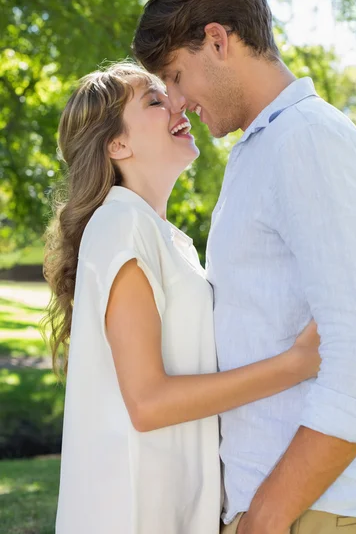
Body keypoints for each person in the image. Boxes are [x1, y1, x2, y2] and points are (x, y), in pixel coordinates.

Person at [133, 0, 356, 534]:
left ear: (217, 41)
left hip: (315, 515)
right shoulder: (260, 151)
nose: (175, 104)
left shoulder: (308, 139)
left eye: (176, 77)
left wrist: (268, 516)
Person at [42, 61, 320, 534]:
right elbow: (148, 403)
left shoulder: (168, 239)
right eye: (154, 100)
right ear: (117, 144)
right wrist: (295, 364)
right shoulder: (121, 224)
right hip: (131, 515)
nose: (179, 103)